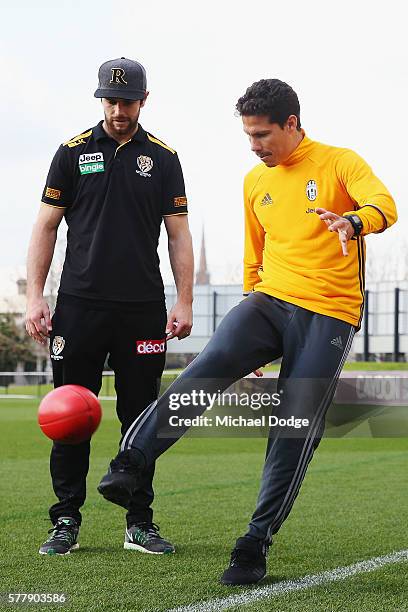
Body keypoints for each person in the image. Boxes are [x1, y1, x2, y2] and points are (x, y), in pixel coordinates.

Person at [97, 79, 397, 584]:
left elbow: (385, 205)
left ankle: (254, 542)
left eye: (262, 135)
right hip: (266, 301)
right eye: (248, 136)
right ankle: (132, 459)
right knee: (210, 365)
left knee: (294, 427)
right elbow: (254, 255)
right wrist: (250, 327)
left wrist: (351, 221)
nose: (255, 146)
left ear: (292, 125)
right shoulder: (254, 182)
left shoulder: (340, 162)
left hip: (329, 312)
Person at [25, 57, 194, 556]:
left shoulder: (164, 159)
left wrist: (183, 299)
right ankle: (66, 521)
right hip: (79, 306)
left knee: (140, 417)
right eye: (111, 100)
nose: (119, 110)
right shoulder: (72, 153)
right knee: (69, 415)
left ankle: (139, 522)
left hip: (142, 307)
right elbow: (46, 226)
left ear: (145, 101)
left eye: (128, 101)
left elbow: (178, 234)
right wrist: (36, 294)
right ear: (100, 99)